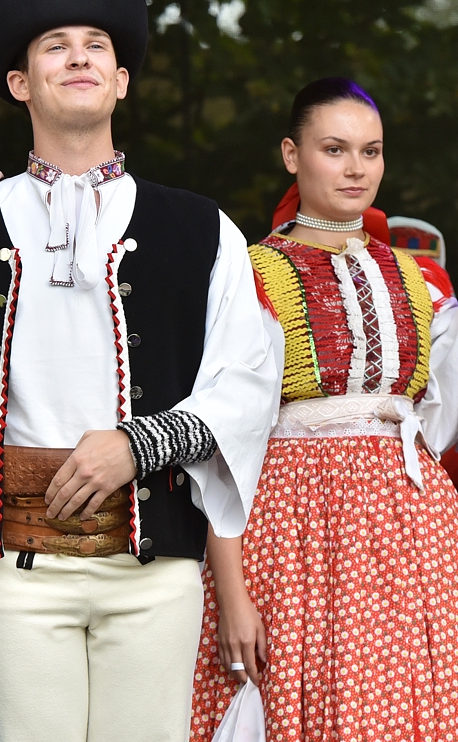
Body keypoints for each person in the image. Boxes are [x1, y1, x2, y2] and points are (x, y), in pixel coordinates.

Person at [0, 0, 281, 741]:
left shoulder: (201, 227)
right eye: (55, 46)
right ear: (20, 84)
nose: (79, 57)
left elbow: (250, 380)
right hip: (9, 568)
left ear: (121, 82)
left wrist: (138, 444)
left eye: (96, 45)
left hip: (153, 570)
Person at [190, 78, 458, 741]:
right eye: (334, 149)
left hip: (411, 530)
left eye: (371, 151)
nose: (356, 167)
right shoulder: (249, 273)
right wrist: (231, 594)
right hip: (293, 532)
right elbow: (222, 443)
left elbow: (436, 421)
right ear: (292, 154)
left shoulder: (420, 279)